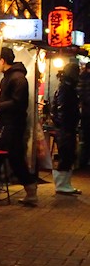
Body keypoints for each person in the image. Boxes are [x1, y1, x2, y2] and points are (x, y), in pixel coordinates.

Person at [0, 46, 39, 206]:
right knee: (10, 158)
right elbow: (7, 99)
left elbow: (19, 103)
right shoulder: (8, 78)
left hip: (13, 125)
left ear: (2, 61)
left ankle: (28, 190)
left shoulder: (17, 78)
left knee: (6, 157)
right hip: (7, 124)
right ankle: (29, 190)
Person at [50, 62, 82, 195]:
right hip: (65, 129)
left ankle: (65, 184)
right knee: (65, 155)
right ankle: (62, 185)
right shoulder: (65, 88)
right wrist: (66, 127)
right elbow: (62, 110)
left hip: (66, 128)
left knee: (68, 155)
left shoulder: (66, 87)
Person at [78, 63, 90, 170]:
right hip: (86, 113)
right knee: (86, 138)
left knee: (85, 138)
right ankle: (83, 161)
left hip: (85, 113)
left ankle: (83, 161)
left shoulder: (81, 78)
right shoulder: (84, 79)